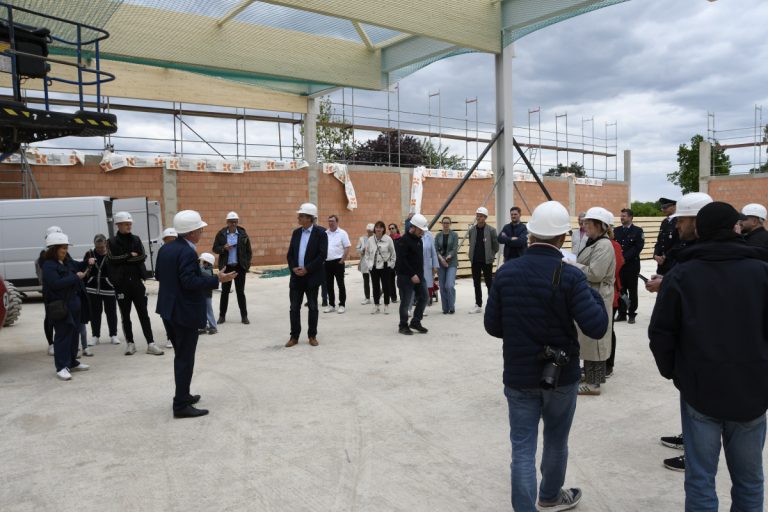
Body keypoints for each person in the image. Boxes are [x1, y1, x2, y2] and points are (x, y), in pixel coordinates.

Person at [484, 200, 608, 511]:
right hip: (561, 375)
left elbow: (493, 326)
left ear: (530, 236)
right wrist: (588, 288)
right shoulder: (570, 276)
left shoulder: (507, 273)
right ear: (563, 239)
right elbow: (596, 326)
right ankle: (550, 497)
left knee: (523, 448)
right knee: (555, 439)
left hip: (519, 374)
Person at [649, 201, 768, 512]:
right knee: (750, 479)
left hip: (699, 388)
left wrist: (676, 374)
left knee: (700, 478)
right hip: (752, 390)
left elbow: (661, 333)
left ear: (699, 230)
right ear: (735, 228)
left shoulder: (682, 275)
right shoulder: (762, 273)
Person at [644, 192, 713, 473]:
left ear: (697, 223)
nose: (676, 226)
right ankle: (691, 442)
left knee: (702, 407)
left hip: (700, 351)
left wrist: (670, 366)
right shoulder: (694, 253)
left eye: (681, 220)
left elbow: (663, 327)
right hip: (705, 353)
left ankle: (695, 452)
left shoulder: (702, 260)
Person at [156, 210, 236, 418]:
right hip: (183, 312)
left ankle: (183, 394)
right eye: (199, 228)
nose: (202, 230)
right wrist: (217, 278)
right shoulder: (188, 252)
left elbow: (161, 276)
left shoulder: (167, 248)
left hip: (168, 310)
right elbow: (189, 282)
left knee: (181, 356)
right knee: (185, 358)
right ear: (191, 232)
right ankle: (181, 405)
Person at [571, 206, 615, 396]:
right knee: (587, 338)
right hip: (591, 296)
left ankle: (594, 384)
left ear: (599, 225)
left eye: (588, 223)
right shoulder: (594, 242)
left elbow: (596, 274)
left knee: (596, 340)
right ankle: (589, 376)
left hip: (598, 296)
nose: (585, 225)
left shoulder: (604, 245)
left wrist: (573, 265)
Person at [108, 211, 164, 356]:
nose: (129, 226)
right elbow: (113, 259)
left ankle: (150, 343)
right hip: (121, 284)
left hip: (137, 283)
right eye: (126, 224)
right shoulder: (111, 242)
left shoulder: (136, 239)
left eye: (130, 223)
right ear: (118, 225)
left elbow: (141, 257)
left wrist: (126, 259)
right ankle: (130, 343)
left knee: (144, 314)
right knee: (125, 315)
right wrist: (128, 255)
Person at [42, 232, 91, 381]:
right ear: (53, 249)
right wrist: (75, 277)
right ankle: (61, 367)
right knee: (63, 335)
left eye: (66, 248)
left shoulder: (66, 261)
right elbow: (56, 284)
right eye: (62, 248)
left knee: (74, 333)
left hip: (74, 303)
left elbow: (78, 266)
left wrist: (88, 261)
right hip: (61, 306)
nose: (65, 251)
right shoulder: (49, 266)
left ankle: (72, 362)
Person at [286, 203, 328, 347]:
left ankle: (312, 335)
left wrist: (307, 269)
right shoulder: (296, 233)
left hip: (312, 277)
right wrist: (294, 268)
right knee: (294, 308)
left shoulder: (321, 233)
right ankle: (294, 336)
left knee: (313, 307)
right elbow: (290, 254)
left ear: (310, 218)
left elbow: (322, 255)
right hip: (296, 277)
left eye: (301, 215)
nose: (298, 217)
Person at [212, 211, 252, 324]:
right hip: (227, 267)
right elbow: (215, 248)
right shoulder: (221, 234)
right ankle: (222, 316)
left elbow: (249, 251)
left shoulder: (243, 234)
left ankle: (244, 316)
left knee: (240, 292)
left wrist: (246, 265)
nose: (234, 224)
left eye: (235, 222)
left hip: (239, 267)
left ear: (237, 222)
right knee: (225, 292)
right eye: (231, 222)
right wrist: (223, 248)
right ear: (227, 222)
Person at [395, 214, 429, 335]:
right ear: (413, 227)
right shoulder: (403, 241)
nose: (422, 233)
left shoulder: (418, 239)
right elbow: (401, 261)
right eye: (421, 230)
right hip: (405, 277)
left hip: (419, 276)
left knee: (424, 297)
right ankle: (403, 325)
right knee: (406, 301)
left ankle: (415, 321)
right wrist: (412, 274)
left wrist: (420, 275)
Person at [83, 234, 119, 347]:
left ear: (106, 244)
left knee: (111, 312)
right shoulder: (89, 254)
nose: (100, 250)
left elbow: (117, 269)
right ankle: (95, 336)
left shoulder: (111, 254)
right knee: (95, 313)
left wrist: (114, 282)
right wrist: (88, 263)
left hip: (109, 288)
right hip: (93, 288)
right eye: (97, 248)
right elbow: (83, 268)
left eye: (102, 247)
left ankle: (113, 335)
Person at [614, 208, 644, 324]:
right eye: (621, 216)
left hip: (631, 265)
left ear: (631, 217)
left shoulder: (638, 231)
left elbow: (637, 247)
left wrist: (624, 258)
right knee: (621, 290)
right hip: (620, 267)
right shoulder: (616, 231)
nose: (622, 218)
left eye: (624, 216)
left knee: (632, 290)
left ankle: (631, 313)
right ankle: (622, 313)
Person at [468, 206, 499, 314]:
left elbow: (496, 246)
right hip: (475, 261)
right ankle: (478, 304)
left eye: (480, 216)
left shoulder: (491, 230)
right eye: (477, 215)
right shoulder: (472, 230)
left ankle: (492, 304)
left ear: (485, 218)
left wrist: (491, 255)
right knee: (476, 283)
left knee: (489, 283)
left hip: (487, 261)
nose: (478, 218)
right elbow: (471, 243)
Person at [38, 226, 62, 356]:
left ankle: (61, 341)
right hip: (49, 291)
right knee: (50, 317)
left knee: (62, 315)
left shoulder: (63, 251)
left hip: (61, 290)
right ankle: (51, 344)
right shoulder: (44, 254)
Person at [605, 226, 624, 378]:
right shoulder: (590, 243)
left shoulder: (613, 245)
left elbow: (616, 267)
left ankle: (608, 365)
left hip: (609, 293)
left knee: (608, 330)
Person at [365, 221, 396, 315]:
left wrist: (391, 265)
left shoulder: (388, 239)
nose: (378, 229)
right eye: (376, 227)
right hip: (373, 266)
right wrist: (369, 265)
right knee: (375, 286)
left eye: (380, 227)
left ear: (383, 229)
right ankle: (376, 305)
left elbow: (393, 253)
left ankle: (386, 305)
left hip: (385, 266)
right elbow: (367, 254)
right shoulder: (370, 240)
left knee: (386, 286)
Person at [323, 214, 351, 314]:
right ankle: (331, 305)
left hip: (338, 262)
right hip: (327, 262)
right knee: (329, 285)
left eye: (332, 221)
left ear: (337, 222)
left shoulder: (342, 233)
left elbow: (347, 247)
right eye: (329, 221)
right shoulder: (325, 233)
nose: (330, 223)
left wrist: (342, 261)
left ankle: (342, 304)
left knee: (340, 284)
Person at [435, 217, 458, 314]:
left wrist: (448, 257)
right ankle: (445, 307)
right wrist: (441, 259)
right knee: (442, 286)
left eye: (448, 223)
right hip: (441, 263)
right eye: (444, 223)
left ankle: (451, 306)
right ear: (441, 224)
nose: (446, 225)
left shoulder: (454, 235)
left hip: (451, 262)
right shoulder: (438, 235)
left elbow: (454, 248)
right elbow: (435, 249)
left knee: (449, 285)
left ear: (450, 224)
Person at [160, 227, 178, 348]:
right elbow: (157, 272)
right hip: (167, 287)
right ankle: (170, 337)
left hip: (178, 287)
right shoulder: (162, 251)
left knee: (176, 313)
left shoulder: (183, 250)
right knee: (166, 313)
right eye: (169, 240)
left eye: (173, 240)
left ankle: (175, 336)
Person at [654, 197, 679, 275]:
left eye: (665, 207)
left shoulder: (679, 221)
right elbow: (660, 241)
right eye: (662, 207)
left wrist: (665, 256)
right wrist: (655, 255)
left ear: (674, 207)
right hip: (661, 263)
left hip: (672, 262)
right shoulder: (664, 222)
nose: (663, 209)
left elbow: (679, 242)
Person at [421, 227, 439, 313]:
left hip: (428, 264)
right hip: (417, 265)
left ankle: (424, 304)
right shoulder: (414, 235)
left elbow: (433, 252)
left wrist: (435, 265)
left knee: (427, 284)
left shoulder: (429, 235)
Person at [198, 253, 218, 335]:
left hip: (206, 294)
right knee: (201, 311)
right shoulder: (203, 269)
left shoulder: (207, 271)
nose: (200, 263)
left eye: (202, 261)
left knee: (208, 311)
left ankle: (213, 327)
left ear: (207, 263)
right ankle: (203, 326)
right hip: (201, 293)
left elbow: (201, 273)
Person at [356, 224, 374, 305]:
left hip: (374, 262)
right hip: (364, 262)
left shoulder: (376, 238)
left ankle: (377, 295)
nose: (370, 232)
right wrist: (361, 250)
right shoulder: (362, 239)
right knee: (366, 280)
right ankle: (367, 298)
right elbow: (357, 249)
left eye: (371, 231)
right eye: (369, 231)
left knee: (375, 281)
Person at [387, 223, 401, 303]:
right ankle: (393, 297)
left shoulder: (401, 238)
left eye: (393, 228)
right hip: (390, 262)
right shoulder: (388, 239)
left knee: (400, 280)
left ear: (396, 229)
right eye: (390, 229)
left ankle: (402, 296)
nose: (391, 230)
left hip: (399, 262)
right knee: (390, 280)